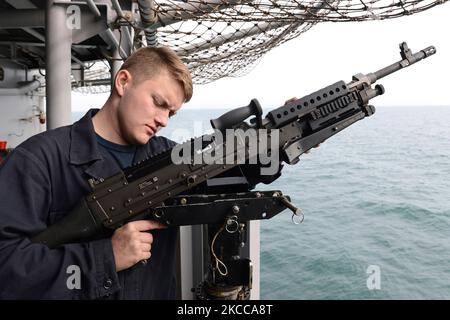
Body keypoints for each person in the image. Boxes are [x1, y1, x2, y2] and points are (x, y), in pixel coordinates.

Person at [0, 46, 193, 299]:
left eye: (171, 113)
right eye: (158, 103)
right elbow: (7, 268)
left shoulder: (169, 157)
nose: (164, 120)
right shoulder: (38, 159)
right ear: (123, 82)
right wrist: (106, 258)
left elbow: (230, 179)